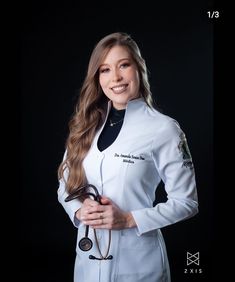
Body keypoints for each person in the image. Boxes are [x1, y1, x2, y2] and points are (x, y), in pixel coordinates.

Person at [57, 32, 198, 282]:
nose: (116, 78)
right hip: (88, 266)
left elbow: (187, 203)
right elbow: (64, 186)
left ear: (139, 68)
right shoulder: (86, 126)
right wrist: (79, 211)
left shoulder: (164, 129)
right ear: (97, 77)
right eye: (105, 70)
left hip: (139, 266)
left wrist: (130, 219)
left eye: (124, 65)